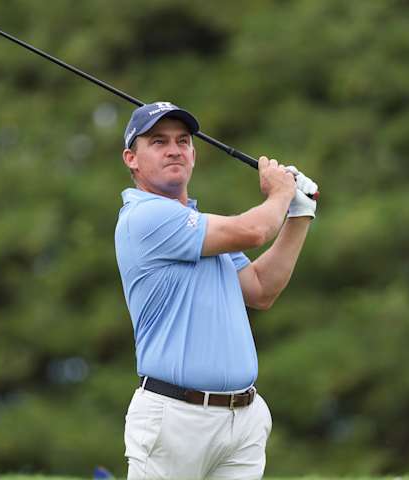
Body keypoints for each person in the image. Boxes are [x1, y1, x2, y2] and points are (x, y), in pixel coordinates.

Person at [114, 102, 318, 479]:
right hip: (174, 419)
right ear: (132, 159)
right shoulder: (144, 217)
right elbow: (254, 231)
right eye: (158, 142)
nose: (174, 149)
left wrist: (299, 213)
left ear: (193, 154)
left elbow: (261, 289)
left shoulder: (198, 227)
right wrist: (279, 194)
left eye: (182, 141)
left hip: (241, 421)